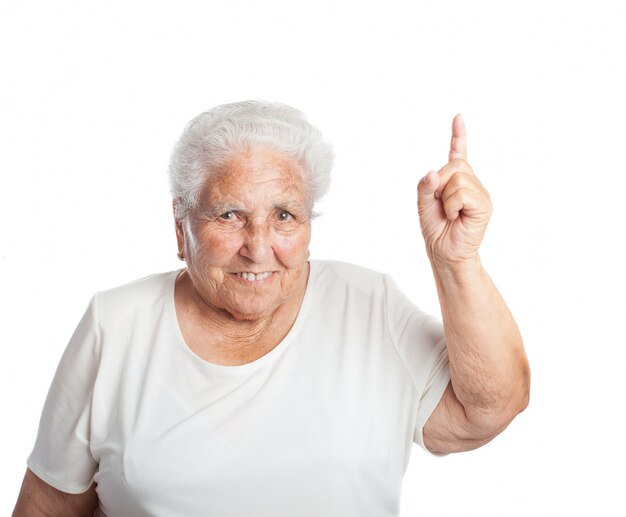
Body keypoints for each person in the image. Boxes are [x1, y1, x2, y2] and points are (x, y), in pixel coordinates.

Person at [13, 101, 530, 517]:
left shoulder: (368, 306)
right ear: (180, 226)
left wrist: (455, 260)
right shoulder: (116, 326)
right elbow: (46, 507)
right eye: (229, 214)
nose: (258, 247)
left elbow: (488, 408)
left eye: (284, 215)